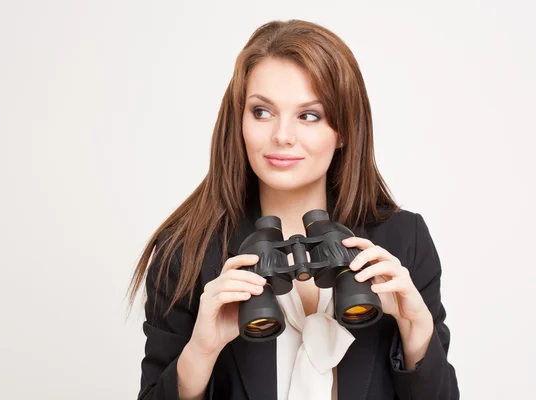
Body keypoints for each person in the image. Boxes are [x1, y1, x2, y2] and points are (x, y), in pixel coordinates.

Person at [127, 19, 460, 400]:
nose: (282, 136)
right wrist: (200, 353)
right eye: (262, 112)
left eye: (309, 115)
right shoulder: (186, 253)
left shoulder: (403, 240)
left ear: (344, 131)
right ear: (239, 121)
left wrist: (417, 334)